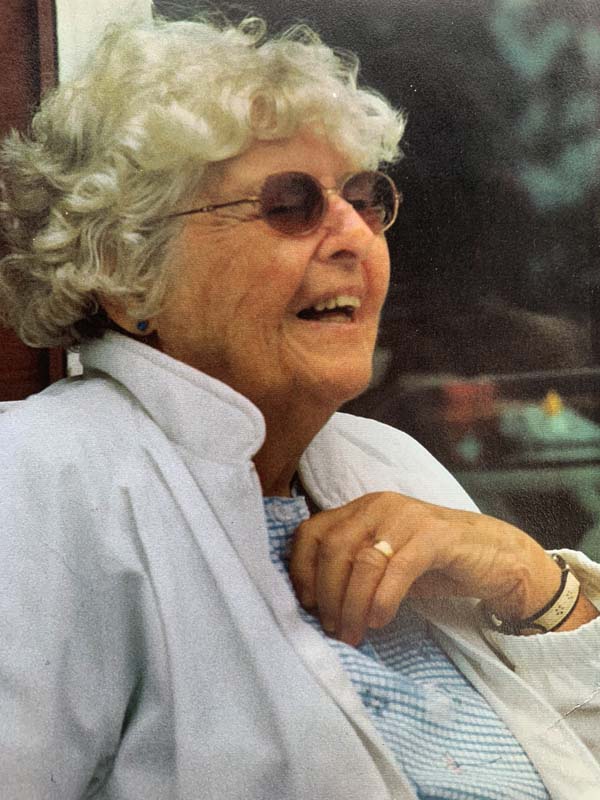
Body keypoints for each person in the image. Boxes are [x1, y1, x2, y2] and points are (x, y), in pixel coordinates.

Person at [0, 13, 598, 800]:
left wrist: (531, 581)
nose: (354, 235)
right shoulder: (38, 477)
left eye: (365, 198)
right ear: (127, 271)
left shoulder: (388, 460)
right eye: (290, 204)